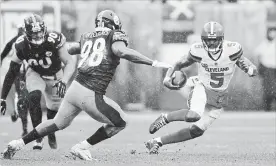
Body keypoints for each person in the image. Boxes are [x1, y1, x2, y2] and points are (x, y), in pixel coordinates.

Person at [2, 10, 171, 160]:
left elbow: (72, 48)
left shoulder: (87, 36)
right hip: (91, 93)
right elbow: (121, 51)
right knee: (121, 122)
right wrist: (153, 62)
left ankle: (17, 143)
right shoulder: (115, 35)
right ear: (114, 25)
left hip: (74, 89)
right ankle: (82, 147)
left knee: (57, 123)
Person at [145, 21, 258, 154]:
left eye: (214, 40)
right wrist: (167, 77)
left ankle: (157, 141)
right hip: (202, 87)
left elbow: (248, 65)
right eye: (207, 40)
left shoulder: (232, 49)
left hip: (219, 96)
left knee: (196, 131)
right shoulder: (198, 50)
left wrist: (251, 69)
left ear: (221, 39)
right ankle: (165, 118)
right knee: (194, 115)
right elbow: (179, 63)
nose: (211, 44)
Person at [0, 14, 76, 150]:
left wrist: (64, 81)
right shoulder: (21, 45)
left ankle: (50, 132)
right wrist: (2, 98)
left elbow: (69, 62)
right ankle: (38, 138)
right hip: (36, 74)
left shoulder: (54, 40)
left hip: (55, 75)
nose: (38, 36)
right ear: (27, 33)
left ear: (45, 29)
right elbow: (11, 72)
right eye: (34, 33)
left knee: (53, 110)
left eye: (40, 32)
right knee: (34, 97)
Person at [0, 25, 29, 133]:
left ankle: (16, 113)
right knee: (22, 97)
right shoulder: (21, 41)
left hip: (22, 73)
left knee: (22, 97)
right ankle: (24, 125)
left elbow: (3, 54)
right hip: (20, 73)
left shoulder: (13, 41)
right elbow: (3, 54)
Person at [255, 28, 276, 111]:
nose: (273, 35)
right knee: (268, 89)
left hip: (274, 69)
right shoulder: (263, 44)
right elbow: (257, 54)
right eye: (271, 33)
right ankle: (267, 107)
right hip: (267, 69)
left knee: (274, 89)